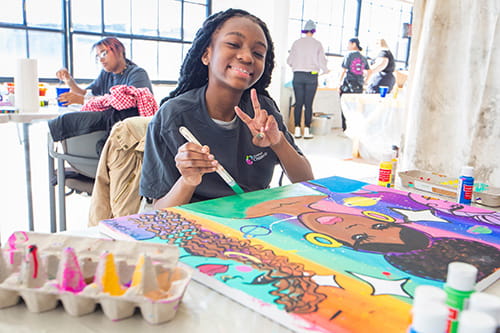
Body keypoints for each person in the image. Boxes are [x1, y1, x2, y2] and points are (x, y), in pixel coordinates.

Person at [140, 9, 314, 209]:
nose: (247, 57)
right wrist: (187, 181)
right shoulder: (173, 117)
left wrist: (278, 142)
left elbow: (307, 181)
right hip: (197, 225)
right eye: (233, 44)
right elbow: (158, 212)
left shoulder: (264, 111)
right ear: (206, 54)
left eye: (258, 53)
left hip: (256, 222)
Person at [55, 37, 153, 105]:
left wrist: (83, 100)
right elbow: (85, 93)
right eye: (98, 57)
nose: (101, 60)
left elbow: (129, 104)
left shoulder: (137, 74)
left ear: (119, 51)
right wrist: (68, 80)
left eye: (103, 54)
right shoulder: (106, 74)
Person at [287, 20, 329, 139]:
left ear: (304, 30)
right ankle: (306, 131)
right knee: (308, 105)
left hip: (298, 75)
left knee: (298, 103)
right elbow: (322, 62)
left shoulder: (296, 43)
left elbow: (289, 61)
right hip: (312, 75)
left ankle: (296, 130)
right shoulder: (317, 44)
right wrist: (325, 70)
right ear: (314, 31)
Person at [338, 37, 369, 131]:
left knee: (345, 106)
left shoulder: (349, 54)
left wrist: (339, 83)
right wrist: (365, 81)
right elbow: (369, 71)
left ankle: (346, 129)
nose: (347, 46)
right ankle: (355, 129)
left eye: (349, 44)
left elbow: (343, 70)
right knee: (357, 108)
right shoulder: (363, 57)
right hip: (359, 85)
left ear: (354, 44)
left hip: (348, 84)